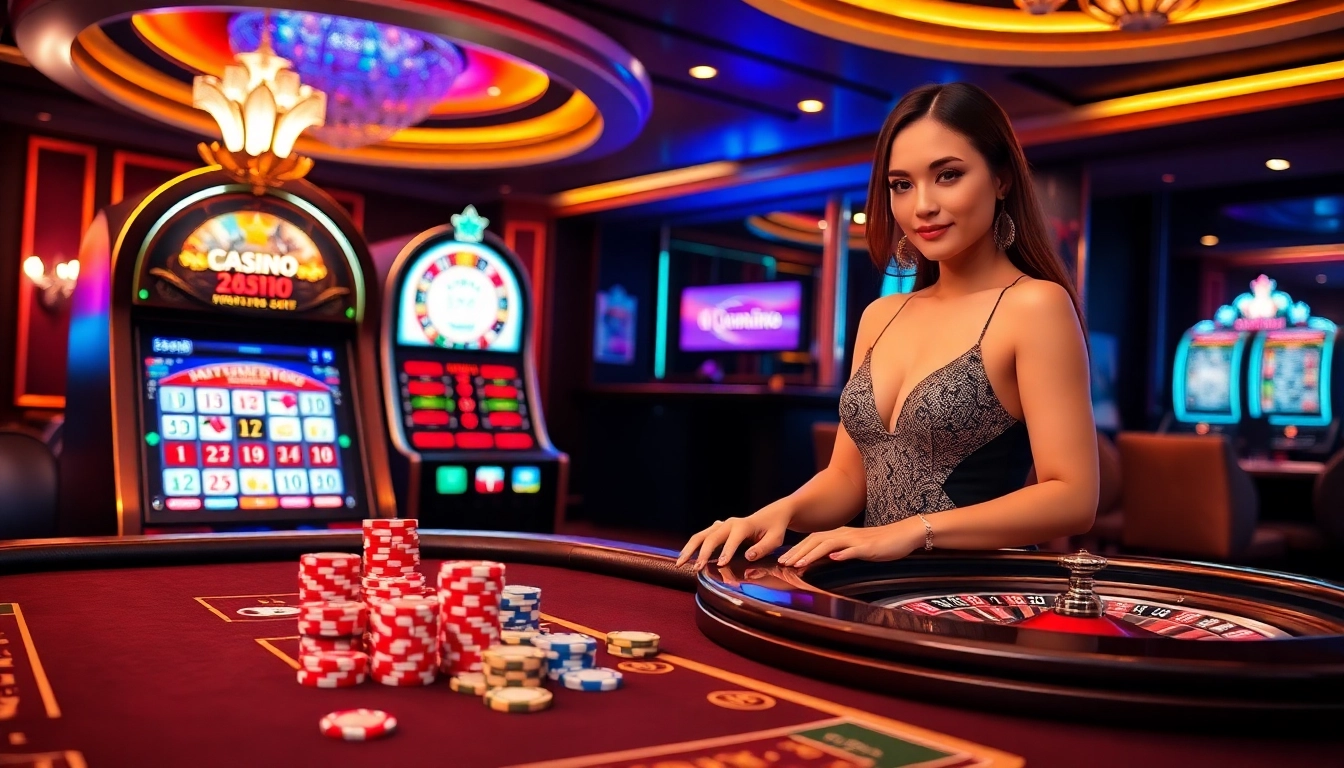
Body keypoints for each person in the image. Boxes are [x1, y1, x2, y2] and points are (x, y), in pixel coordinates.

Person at [677, 82, 1098, 570]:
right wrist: (775, 513)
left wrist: (913, 532)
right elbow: (849, 479)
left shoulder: (1034, 305)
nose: (922, 205)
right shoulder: (882, 315)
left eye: (948, 175)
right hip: (871, 588)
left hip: (971, 595)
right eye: (902, 184)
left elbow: (1073, 497)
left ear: (1001, 178)